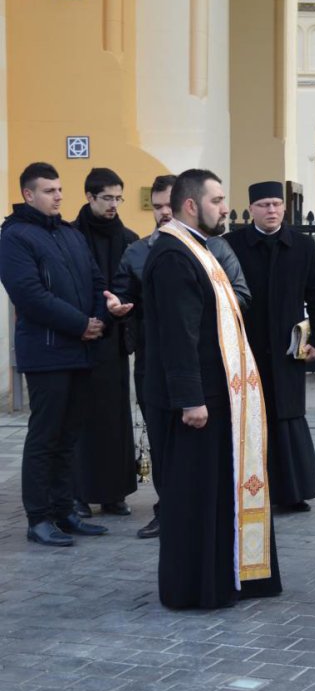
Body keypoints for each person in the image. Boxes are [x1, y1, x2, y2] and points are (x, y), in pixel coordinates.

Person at [140, 169, 281, 609]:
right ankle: (193, 588)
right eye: (217, 200)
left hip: (216, 395)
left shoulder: (196, 248)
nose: (224, 208)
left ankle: (226, 577)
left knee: (215, 493)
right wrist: (190, 399)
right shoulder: (173, 255)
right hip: (194, 402)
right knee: (193, 497)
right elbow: (177, 335)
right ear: (190, 205)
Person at [110, 174, 251, 538]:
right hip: (165, 369)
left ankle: (192, 523)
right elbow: (138, 301)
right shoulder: (156, 252)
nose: (163, 213)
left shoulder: (211, 248)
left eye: (167, 205)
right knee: (168, 452)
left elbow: (238, 297)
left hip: (203, 370)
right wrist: (119, 306)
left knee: (197, 465)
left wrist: (196, 305)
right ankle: (171, 514)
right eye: (157, 206)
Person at [0, 162, 124, 546]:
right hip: (47, 352)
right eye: (49, 190)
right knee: (45, 436)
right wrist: (81, 324)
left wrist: (100, 317)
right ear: (28, 194)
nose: (57, 196)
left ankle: (64, 510)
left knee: (69, 436)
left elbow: (96, 281)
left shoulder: (70, 234)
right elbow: (30, 295)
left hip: (80, 351)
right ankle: (39, 518)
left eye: (59, 190)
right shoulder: (15, 237)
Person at [224, 181, 315, 513]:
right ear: (251, 209)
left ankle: (291, 492)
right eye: (264, 205)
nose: (271, 210)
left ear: (284, 208)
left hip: (287, 350)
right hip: (247, 347)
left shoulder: (302, 246)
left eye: (276, 204)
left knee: (287, 416)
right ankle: (248, 492)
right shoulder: (231, 245)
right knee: (249, 417)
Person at [70, 167, 139, 518]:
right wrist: (86, 321)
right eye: (107, 198)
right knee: (82, 418)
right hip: (81, 336)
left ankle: (114, 493)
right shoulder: (71, 236)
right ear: (89, 197)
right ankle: (79, 494)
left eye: (118, 198)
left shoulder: (128, 238)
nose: (113, 204)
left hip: (114, 341)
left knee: (114, 418)